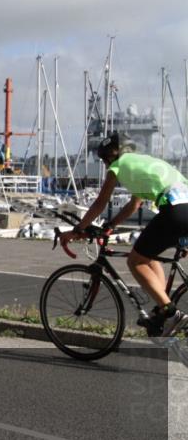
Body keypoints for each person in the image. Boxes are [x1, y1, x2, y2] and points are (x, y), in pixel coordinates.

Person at [61, 132, 188, 337]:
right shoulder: (143, 162)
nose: (104, 165)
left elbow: (101, 202)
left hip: (174, 210)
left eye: (103, 160)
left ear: (111, 156)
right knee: (148, 256)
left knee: (135, 261)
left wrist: (78, 230)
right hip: (184, 208)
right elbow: (134, 205)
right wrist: (111, 225)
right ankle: (162, 306)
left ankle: (171, 313)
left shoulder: (118, 166)